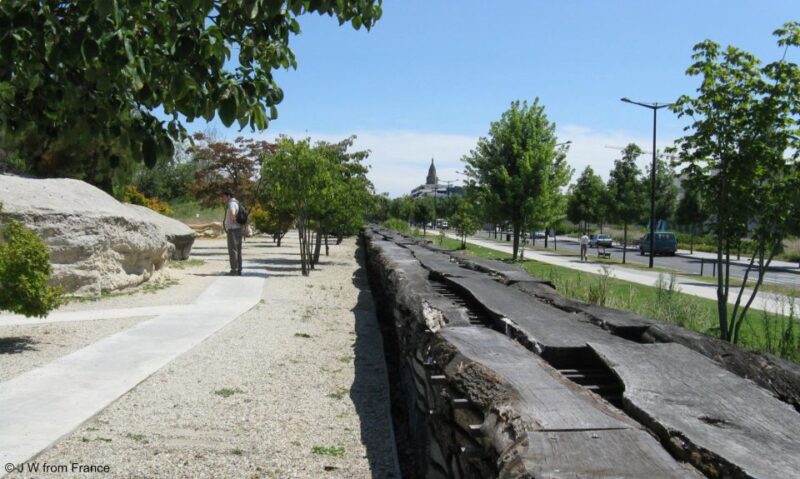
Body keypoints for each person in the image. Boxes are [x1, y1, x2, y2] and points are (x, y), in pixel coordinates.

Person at [222, 191, 242, 276]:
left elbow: (233, 214)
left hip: (233, 230)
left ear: (228, 196)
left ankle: (234, 270)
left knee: (233, 250)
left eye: (224, 197)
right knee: (238, 250)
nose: (223, 199)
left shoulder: (231, 204)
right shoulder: (237, 202)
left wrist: (233, 220)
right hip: (238, 229)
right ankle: (239, 269)